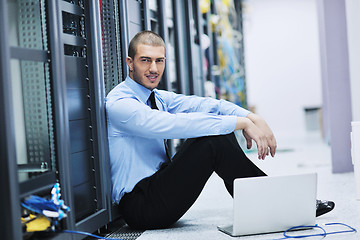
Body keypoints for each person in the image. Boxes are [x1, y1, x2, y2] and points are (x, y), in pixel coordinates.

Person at [106, 30, 334, 230]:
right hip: (142, 206)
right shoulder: (120, 104)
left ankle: (273, 203)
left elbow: (206, 104)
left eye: (160, 61)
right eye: (145, 60)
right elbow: (175, 124)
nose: (154, 68)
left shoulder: (157, 97)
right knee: (212, 140)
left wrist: (249, 115)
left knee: (219, 132)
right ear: (130, 62)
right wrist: (240, 124)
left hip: (159, 187)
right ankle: (279, 204)